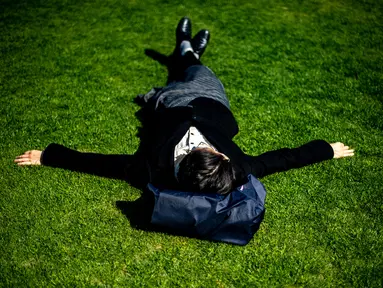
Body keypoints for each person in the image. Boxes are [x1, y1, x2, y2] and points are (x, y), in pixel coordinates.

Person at [15, 17, 354, 201]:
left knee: (176, 80)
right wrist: (326, 150)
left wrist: (49, 156)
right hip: (210, 101)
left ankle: (185, 48)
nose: (222, 154)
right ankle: (187, 50)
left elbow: (102, 164)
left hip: (170, 104)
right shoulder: (240, 168)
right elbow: (283, 159)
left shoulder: (152, 170)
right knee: (198, 72)